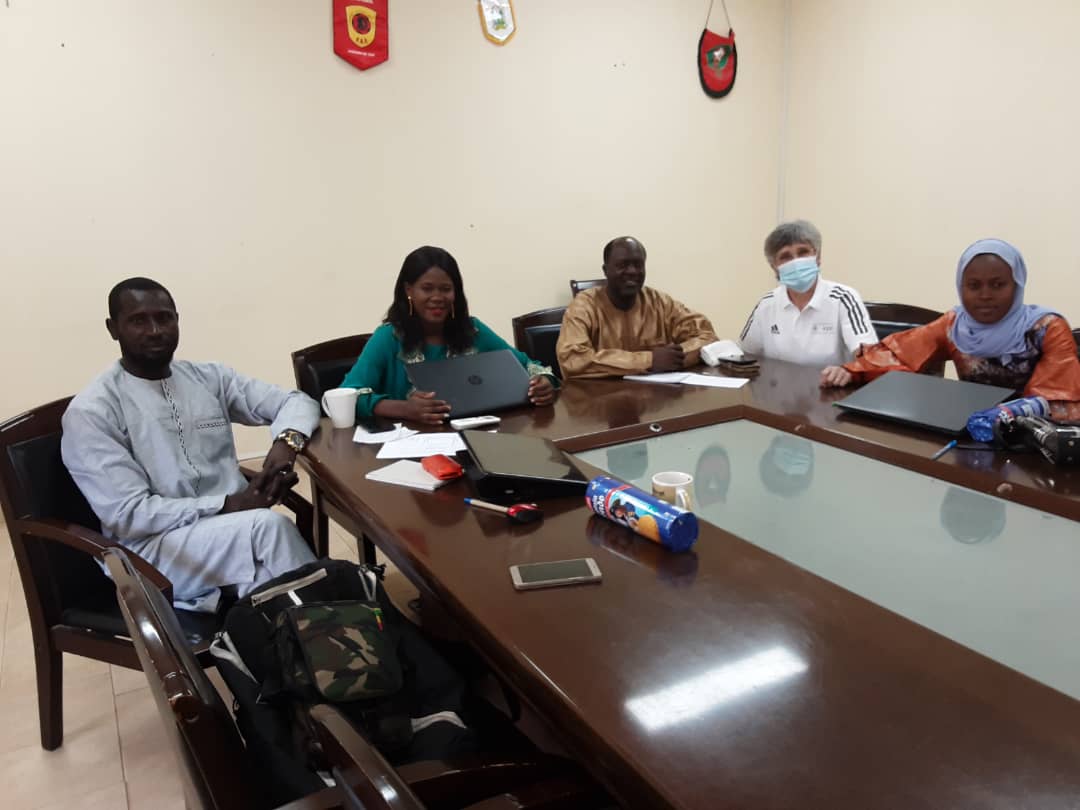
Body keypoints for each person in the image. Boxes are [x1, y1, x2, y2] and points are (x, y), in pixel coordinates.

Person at [61, 277, 319, 612]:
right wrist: (228, 504)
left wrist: (286, 443)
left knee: (269, 592)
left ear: (177, 320)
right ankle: (341, 628)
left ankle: (319, 635)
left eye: (164, 318)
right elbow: (129, 514)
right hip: (152, 550)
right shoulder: (92, 411)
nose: (155, 330)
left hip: (229, 532)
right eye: (139, 321)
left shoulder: (209, 378)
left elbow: (297, 402)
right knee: (268, 530)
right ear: (113, 328)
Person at [820, 239, 1080, 421]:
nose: (985, 295)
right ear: (960, 286)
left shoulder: (1047, 328)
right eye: (974, 286)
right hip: (969, 431)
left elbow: (1056, 401)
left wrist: (1006, 419)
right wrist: (851, 370)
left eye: (998, 285)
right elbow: (900, 354)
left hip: (1033, 444)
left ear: (1017, 285)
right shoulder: (955, 324)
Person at [341, 246, 557, 425]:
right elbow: (348, 395)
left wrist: (543, 383)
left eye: (445, 289)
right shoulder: (388, 337)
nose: (437, 297)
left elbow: (530, 367)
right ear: (409, 290)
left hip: (477, 440)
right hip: (410, 451)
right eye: (427, 288)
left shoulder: (473, 330)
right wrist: (405, 409)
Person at [556, 236, 719, 379]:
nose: (632, 271)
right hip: (600, 399)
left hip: (656, 397)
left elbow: (708, 337)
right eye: (622, 265)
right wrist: (649, 360)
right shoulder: (584, 306)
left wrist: (675, 357)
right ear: (605, 270)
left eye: (638, 264)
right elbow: (572, 359)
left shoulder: (659, 302)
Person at [739, 220, 877, 366]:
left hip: (829, 381)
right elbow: (745, 353)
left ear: (817, 257)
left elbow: (869, 356)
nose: (796, 262)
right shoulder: (766, 304)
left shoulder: (843, 298)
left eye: (803, 252)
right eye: (785, 256)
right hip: (779, 381)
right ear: (774, 267)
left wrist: (848, 370)